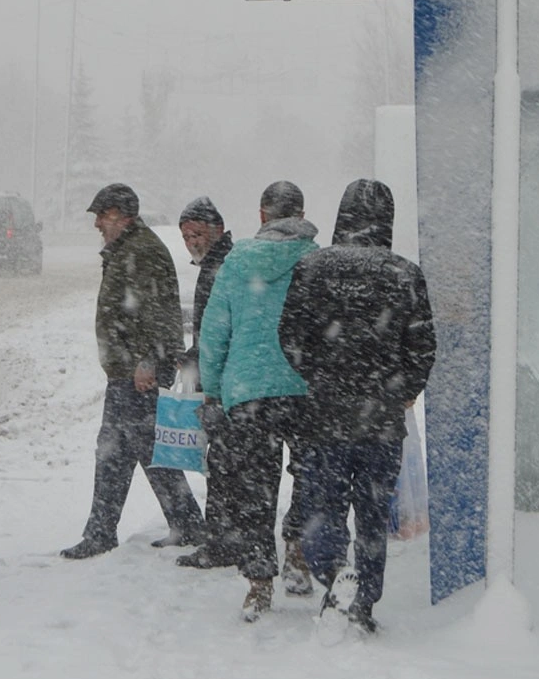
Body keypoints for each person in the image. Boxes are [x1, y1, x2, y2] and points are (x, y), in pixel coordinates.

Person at [279, 179, 435, 635]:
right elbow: (423, 346)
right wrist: (402, 389)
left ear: (342, 215)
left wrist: (318, 376)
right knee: (371, 514)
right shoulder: (405, 273)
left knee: (323, 504)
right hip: (381, 420)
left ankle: (332, 573)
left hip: (323, 415)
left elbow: (290, 338)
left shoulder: (313, 268)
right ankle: (364, 601)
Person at [196, 181, 319, 621]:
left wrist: (212, 388)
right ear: (301, 214)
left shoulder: (237, 262)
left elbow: (214, 332)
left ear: (262, 215)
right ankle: (299, 553)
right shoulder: (316, 260)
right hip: (306, 390)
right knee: (309, 478)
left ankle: (259, 581)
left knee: (254, 490)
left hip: (248, 393)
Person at [61, 183, 206, 559]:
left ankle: (105, 532)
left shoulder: (142, 252)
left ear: (121, 217)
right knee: (132, 452)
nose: (96, 224)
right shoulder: (127, 249)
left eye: (101, 216)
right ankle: (182, 524)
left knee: (124, 452)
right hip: (126, 372)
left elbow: (159, 313)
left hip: (136, 375)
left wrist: (150, 361)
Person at [173, 196, 242, 570]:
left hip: (224, 385)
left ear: (216, 230)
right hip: (224, 379)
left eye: (197, 233)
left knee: (224, 465)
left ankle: (223, 543)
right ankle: (229, 539)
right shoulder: (216, 264)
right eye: (186, 236)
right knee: (226, 464)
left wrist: (201, 358)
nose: (192, 242)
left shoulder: (222, 267)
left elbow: (220, 332)